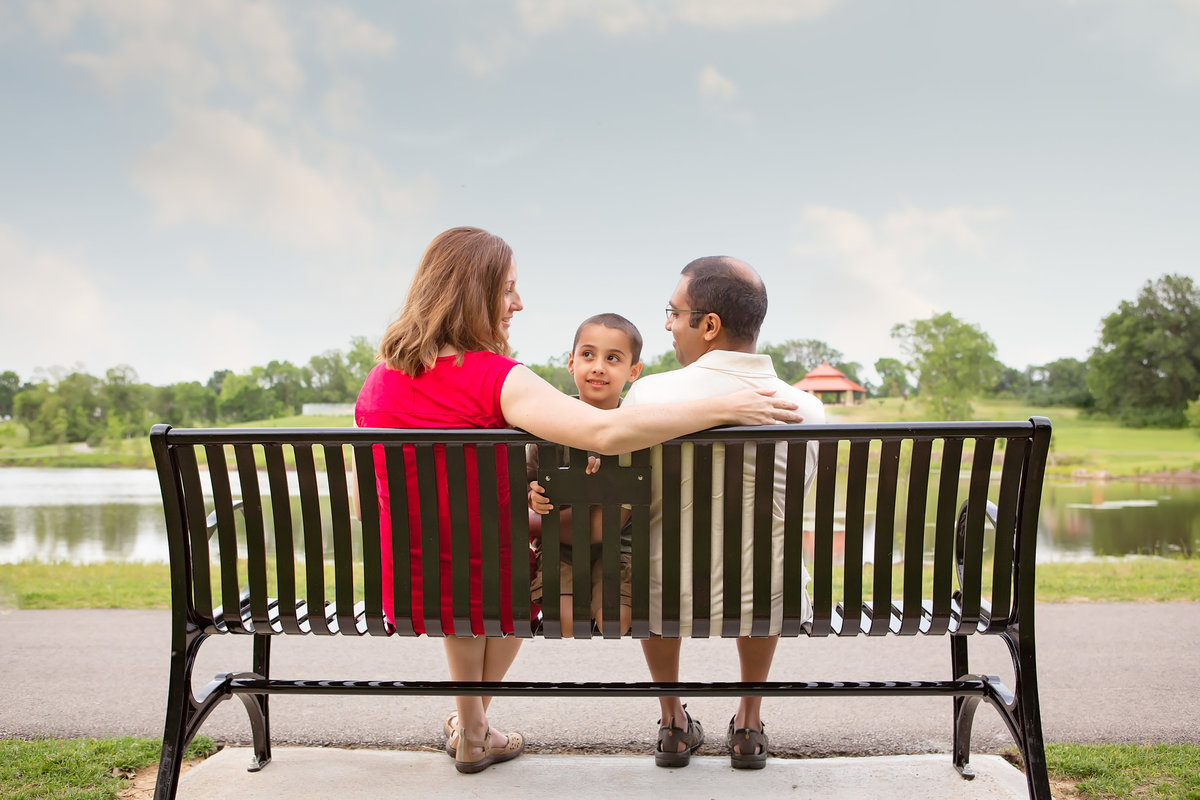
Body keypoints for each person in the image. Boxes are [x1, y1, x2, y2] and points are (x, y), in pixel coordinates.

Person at [353, 228, 806, 775]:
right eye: (507, 290)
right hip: (492, 576)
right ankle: (473, 730)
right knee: (500, 585)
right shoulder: (495, 378)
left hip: (409, 578)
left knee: (474, 577)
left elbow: (363, 496)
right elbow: (605, 433)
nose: (517, 303)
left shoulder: (379, 380)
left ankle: (472, 729)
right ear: (472, 293)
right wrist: (722, 407)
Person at [619, 256, 825, 770]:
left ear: (708, 325)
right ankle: (749, 724)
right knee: (768, 558)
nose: (666, 324)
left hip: (666, 591)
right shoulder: (806, 409)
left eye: (673, 311)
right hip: (766, 594)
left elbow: (623, 497)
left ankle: (672, 722)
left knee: (653, 556)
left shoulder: (649, 394)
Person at [527, 313, 644, 638]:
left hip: (617, 548)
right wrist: (533, 497)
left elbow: (613, 524)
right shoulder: (550, 424)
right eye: (588, 355)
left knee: (613, 620)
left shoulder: (635, 430)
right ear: (571, 362)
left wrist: (593, 491)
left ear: (633, 371)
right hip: (559, 547)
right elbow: (527, 486)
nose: (598, 367)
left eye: (613, 358)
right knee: (563, 620)